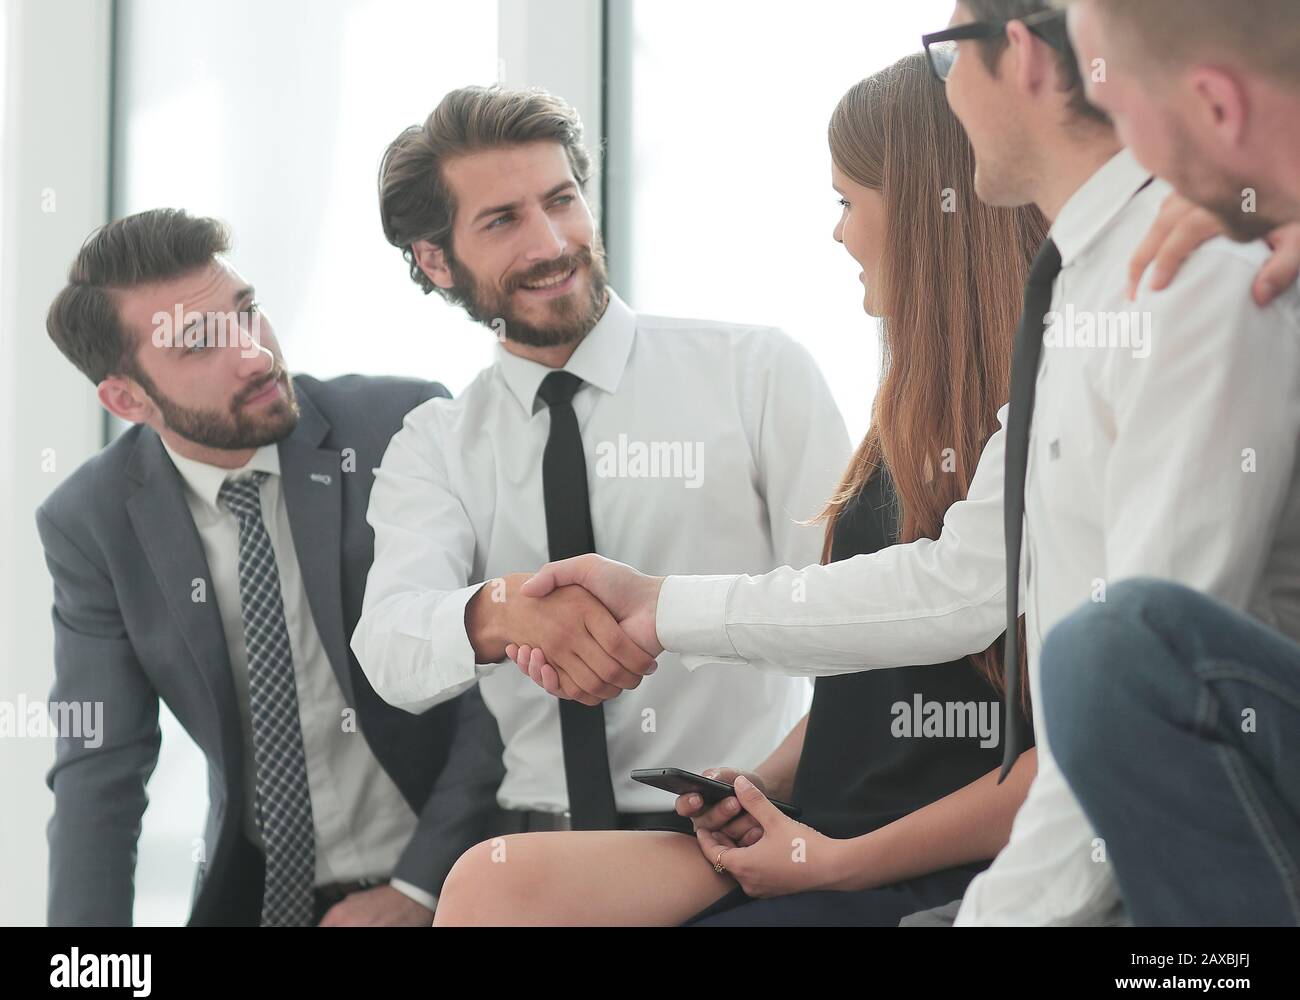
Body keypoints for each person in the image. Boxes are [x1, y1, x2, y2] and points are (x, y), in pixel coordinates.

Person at [511, 0, 1300, 925]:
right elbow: (961, 582)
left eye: (945, 54)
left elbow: (1133, 695)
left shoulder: (1189, 268)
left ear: (1022, 59)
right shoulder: (1080, 291)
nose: (945, 93)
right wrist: (665, 606)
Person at [433, 54, 1046, 926]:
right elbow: (861, 690)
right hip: (818, 826)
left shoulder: (1041, 415)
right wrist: (758, 782)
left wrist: (834, 863)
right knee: (490, 881)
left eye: (846, 201)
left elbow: (1060, 762)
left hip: (916, 855)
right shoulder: (902, 425)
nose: (837, 235)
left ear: (917, 210)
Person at [350, 87, 851, 863]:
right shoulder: (437, 443)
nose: (551, 243)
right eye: (502, 219)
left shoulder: (755, 373)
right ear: (435, 257)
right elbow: (387, 647)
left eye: (562, 200)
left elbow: (853, 610)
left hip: (743, 835)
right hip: (534, 858)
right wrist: (505, 610)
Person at [39, 209, 505, 926]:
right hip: (262, 903)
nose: (254, 355)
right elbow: (99, 772)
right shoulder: (92, 522)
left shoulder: (397, 427)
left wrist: (417, 890)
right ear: (126, 398)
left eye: (247, 312)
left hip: (465, 876)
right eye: (199, 344)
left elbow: (500, 681)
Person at [1027, 0, 1300, 925]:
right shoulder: (1236, 249)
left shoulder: (1213, 276)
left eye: (1114, 96)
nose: (1113, 135)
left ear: (1217, 107)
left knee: (1117, 645)